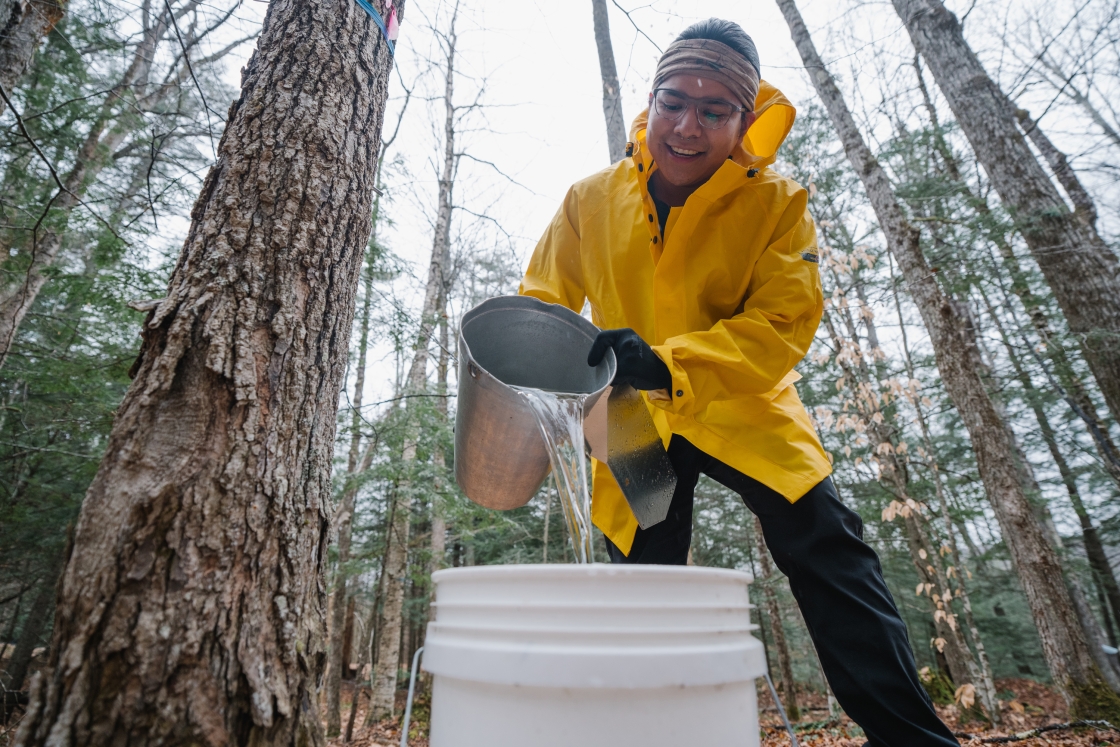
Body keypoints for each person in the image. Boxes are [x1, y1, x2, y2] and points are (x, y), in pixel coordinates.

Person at [519, 17, 959, 747]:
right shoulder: (589, 199)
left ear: (745, 121)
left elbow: (783, 321)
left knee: (828, 549)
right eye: (674, 101)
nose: (687, 125)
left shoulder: (778, 204)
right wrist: (564, 365)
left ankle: (915, 739)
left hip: (742, 398)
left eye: (713, 108)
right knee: (644, 578)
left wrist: (672, 362)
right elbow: (541, 301)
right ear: (651, 102)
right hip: (626, 414)